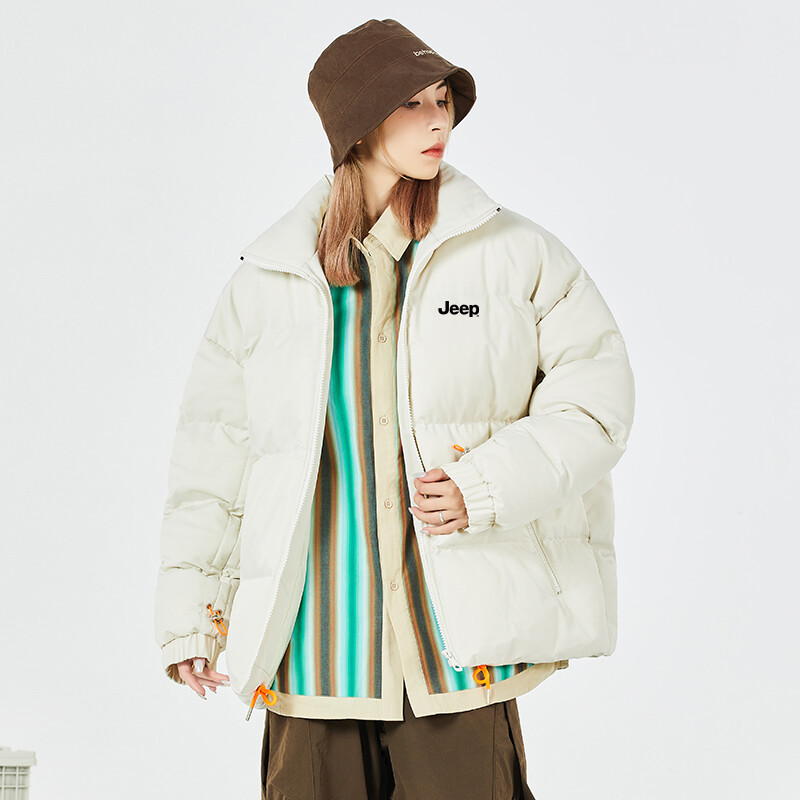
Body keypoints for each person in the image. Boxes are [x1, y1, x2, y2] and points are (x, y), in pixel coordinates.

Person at [153, 18, 635, 800]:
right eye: (412, 103)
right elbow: (216, 459)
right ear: (356, 122)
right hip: (313, 655)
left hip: (454, 651)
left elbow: (597, 401)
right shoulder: (268, 281)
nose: (438, 119)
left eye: (443, 100)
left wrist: (485, 485)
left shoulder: (515, 254)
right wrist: (192, 618)